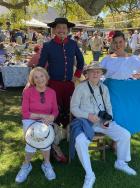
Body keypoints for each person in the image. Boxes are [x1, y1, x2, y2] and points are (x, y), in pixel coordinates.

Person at [70, 62, 136, 188]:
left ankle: (120, 162)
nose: (95, 73)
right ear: (87, 74)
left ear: (101, 74)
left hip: (102, 122)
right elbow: (73, 108)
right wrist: (87, 115)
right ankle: (89, 175)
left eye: (98, 71)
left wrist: (108, 119)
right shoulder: (80, 88)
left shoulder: (104, 88)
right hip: (86, 122)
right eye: (92, 71)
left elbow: (108, 106)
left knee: (125, 135)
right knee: (80, 141)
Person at [38, 17, 85, 163]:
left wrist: (76, 76)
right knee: (53, 111)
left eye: (64, 28)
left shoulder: (73, 44)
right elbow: (40, 65)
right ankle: (53, 139)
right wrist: (41, 82)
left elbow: (81, 61)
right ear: (54, 30)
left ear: (68, 30)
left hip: (69, 85)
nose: (61, 30)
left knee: (70, 110)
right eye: (58, 28)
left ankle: (69, 134)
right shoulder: (48, 46)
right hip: (53, 85)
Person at [15, 67, 58, 183]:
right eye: (36, 77)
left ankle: (47, 164)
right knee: (31, 142)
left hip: (45, 121)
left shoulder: (52, 92)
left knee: (45, 141)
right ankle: (26, 165)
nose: (39, 79)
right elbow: (25, 112)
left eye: (41, 76)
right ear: (33, 80)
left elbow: (55, 110)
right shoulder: (27, 92)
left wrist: (52, 117)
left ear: (46, 77)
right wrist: (42, 116)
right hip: (30, 120)